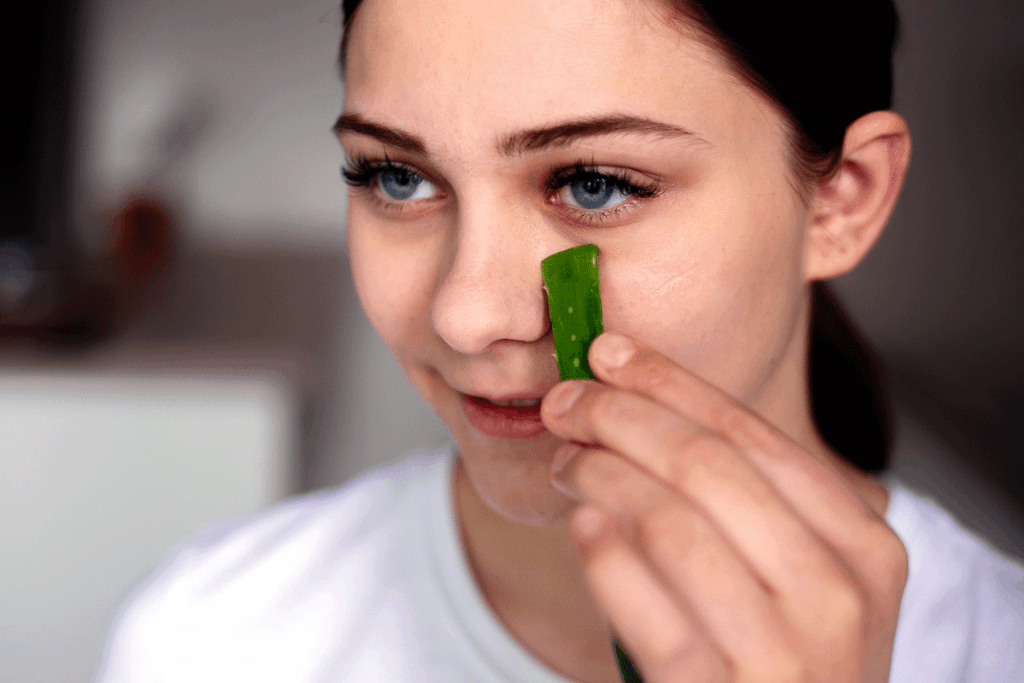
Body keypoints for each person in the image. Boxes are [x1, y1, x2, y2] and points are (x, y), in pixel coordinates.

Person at [96, 0, 1024, 681]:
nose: (466, 315)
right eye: (395, 175)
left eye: (593, 184)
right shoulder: (209, 639)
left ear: (842, 198)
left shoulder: (994, 647)